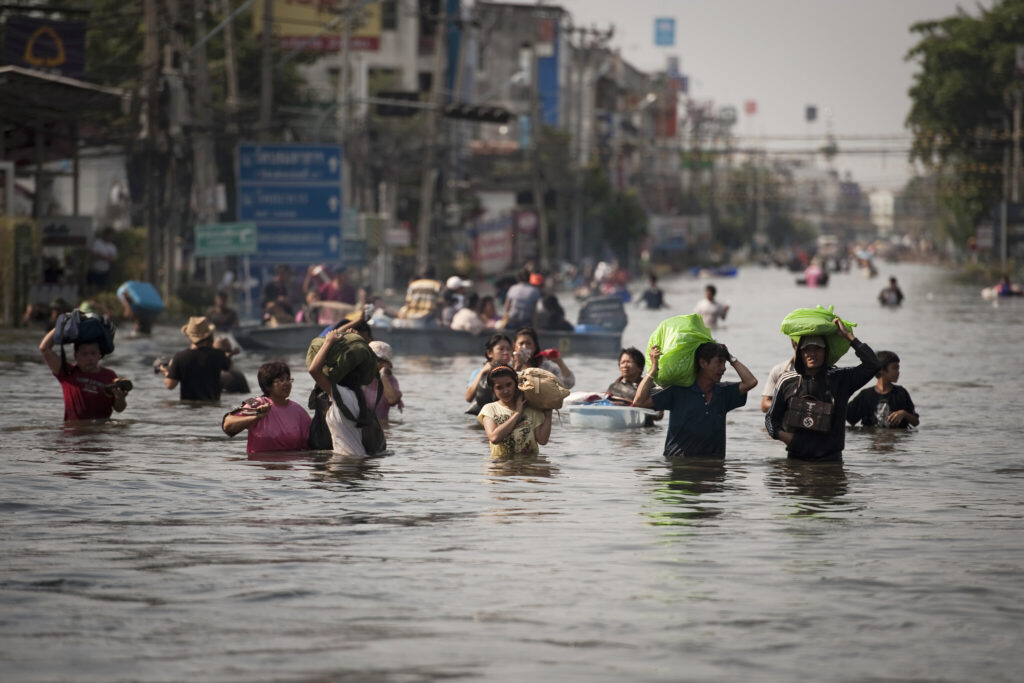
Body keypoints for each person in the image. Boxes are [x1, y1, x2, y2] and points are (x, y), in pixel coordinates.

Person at [765, 319, 881, 461]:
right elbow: (771, 419)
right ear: (800, 352)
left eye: (817, 348)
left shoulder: (841, 379)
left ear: (826, 351)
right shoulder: (787, 380)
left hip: (831, 462)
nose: (812, 353)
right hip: (796, 461)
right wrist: (789, 439)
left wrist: (848, 336)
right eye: (807, 348)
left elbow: (873, 365)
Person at [633, 342, 757, 458]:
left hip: (714, 468)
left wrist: (731, 359)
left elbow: (751, 382)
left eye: (724, 363)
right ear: (703, 363)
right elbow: (640, 402)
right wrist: (653, 368)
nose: (724, 368)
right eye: (719, 362)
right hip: (680, 465)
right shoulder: (678, 391)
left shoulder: (724, 392)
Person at [39, 326, 128, 421]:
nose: (89, 358)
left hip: (101, 433)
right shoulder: (67, 372)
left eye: (93, 354)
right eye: (84, 354)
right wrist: (62, 324)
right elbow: (44, 348)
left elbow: (119, 409)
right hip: (74, 431)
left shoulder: (109, 375)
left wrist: (120, 399)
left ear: (100, 355)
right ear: (76, 356)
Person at [221, 361, 312, 454]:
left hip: (290, 466)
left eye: (288, 379)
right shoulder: (257, 404)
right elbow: (227, 425)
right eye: (281, 380)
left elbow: (311, 443)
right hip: (261, 465)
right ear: (268, 386)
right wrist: (257, 416)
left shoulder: (298, 410)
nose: (286, 383)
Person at [307, 327, 368, 456]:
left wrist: (329, 342)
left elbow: (314, 370)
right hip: (357, 459)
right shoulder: (357, 395)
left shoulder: (342, 395)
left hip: (346, 463)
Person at [477, 364, 553, 458]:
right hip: (501, 467)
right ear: (493, 389)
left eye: (509, 385)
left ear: (516, 383)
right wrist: (517, 413)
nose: (505, 391)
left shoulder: (531, 409)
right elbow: (494, 438)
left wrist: (549, 415)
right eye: (499, 387)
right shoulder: (489, 409)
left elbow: (542, 440)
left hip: (529, 467)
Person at [159, 316, 231, 401]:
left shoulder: (180, 357)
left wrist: (167, 373)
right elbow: (229, 367)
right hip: (213, 406)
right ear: (208, 335)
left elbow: (170, 385)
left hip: (189, 409)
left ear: (189, 336)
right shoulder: (218, 355)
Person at [847, 350, 919, 429]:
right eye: (895, 368)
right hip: (871, 439)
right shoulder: (866, 395)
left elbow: (915, 422)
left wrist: (904, 413)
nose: (898, 372)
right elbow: (848, 417)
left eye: (898, 368)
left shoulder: (901, 393)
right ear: (881, 370)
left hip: (896, 439)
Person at [606, 347, 663, 425]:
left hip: (644, 430)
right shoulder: (614, 387)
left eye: (629, 362)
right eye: (622, 362)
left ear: (640, 367)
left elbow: (659, 415)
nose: (625, 366)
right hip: (620, 427)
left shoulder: (650, 387)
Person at [465, 333, 514, 415]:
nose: (506, 352)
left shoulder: (513, 371)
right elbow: (468, 398)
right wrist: (482, 372)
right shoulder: (479, 372)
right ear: (489, 353)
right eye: (501, 349)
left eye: (508, 349)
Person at [363, 341, 403, 422]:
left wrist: (383, 375)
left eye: (382, 361)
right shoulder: (359, 377)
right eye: (376, 359)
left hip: (381, 428)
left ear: (388, 364)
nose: (378, 363)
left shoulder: (391, 380)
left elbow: (392, 399)